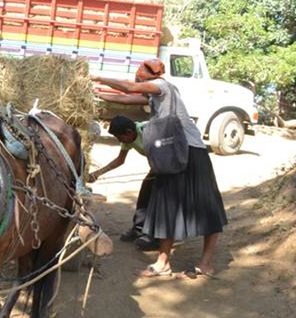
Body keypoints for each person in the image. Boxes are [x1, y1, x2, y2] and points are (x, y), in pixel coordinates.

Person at [90, 59, 228, 278]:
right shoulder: (154, 96)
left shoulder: (162, 87)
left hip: (192, 152)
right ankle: (163, 263)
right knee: (167, 207)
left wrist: (96, 77)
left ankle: (206, 263)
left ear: (149, 77)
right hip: (173, 154)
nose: (136, 79)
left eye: (139, 76)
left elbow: (129, 88)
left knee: (206, 206)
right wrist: (96, 94)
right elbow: (125, 98)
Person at [87, 116, 157, 251]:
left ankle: (155, 237)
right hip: (156, 168)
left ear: (129, 132)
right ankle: (138, 228)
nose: (120, 141)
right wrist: (97, 173)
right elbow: (120, 160)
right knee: (145, 195)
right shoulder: (129, 138)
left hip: (167, 167)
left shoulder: (148, 131)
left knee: (158, 200)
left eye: (120, 138)